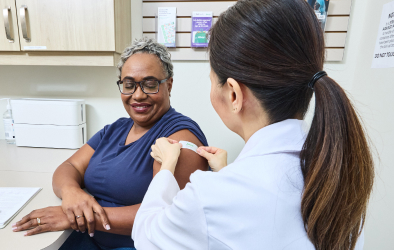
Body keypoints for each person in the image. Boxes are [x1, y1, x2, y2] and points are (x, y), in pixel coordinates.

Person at [132, 0, 374, 250]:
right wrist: (227, 173)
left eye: (213, 80)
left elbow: (145, 235)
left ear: (234, 94)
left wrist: (167, 168)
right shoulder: (336, 172)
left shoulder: (211, 196)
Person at [11, 38, 209, 250]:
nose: (138, 95)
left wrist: (75, 217)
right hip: (90, 237)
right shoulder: (115, 129)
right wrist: (71, 192)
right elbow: (70, 167)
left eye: (150, 84)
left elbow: (166, 215)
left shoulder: (179, 138)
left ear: (168, 85)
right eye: (129, 85)